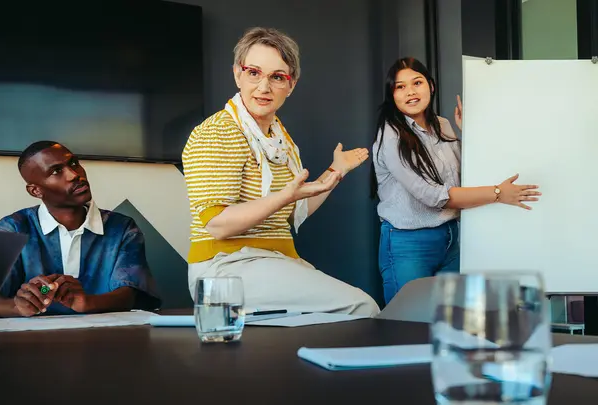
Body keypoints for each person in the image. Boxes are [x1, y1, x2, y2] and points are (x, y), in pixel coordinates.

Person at [182, 27, 379, 316]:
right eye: (253, 73)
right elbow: (217, 225)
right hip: (225, 269)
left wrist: (335, 172)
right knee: (361, 307)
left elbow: (292, 210)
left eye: (277, 77)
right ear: (237, 74)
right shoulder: (218, 131)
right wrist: (285, 195)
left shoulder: (280, 139)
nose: (264, 87)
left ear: (291, 84)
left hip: (272, 260)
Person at [372, 57, 542, 304]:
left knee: (451, 324)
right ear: (392, 95)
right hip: (408, 244)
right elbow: (433, 196)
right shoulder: (391, 136)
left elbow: (466, 174)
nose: (410, 92)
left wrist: (469, 131)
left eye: (417, 82)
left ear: (430, 85)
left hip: (450, 238)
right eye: (400, 87)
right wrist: (498, 193)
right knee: (410, 326)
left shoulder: (442, 124)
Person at [0, 141, 160, 318]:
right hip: (30, 342)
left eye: (73, 163)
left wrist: (87, 302)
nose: (74, 174)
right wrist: (16, 307)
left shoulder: (121, 228)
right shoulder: (12, 229)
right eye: (56, 171)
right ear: (36, 191)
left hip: (106, 339)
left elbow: (130, 295)